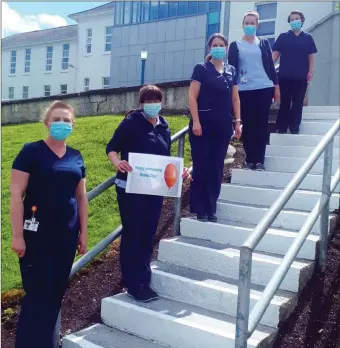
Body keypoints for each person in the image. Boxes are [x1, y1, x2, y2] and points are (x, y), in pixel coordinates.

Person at [11, 101, 88, 348]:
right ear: (47, 122)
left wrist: (83, 232)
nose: (62, 124)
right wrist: (17, 236)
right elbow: (15, 195)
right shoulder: (30, 152)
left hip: (66, 237)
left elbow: (81, 197)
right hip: (36, 237)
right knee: (37, 294)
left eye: (67, 120)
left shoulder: (76, 156)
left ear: (73, 124)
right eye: (57, 119)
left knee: (55, 292)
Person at [106, 85, 190, 303]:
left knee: (148, 233)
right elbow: (112, 147)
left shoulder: (164, 126)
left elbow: (165, 160)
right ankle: (133, 284)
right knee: (133, 233)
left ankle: (144, 279)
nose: (153, 104)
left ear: (161, 103)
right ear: (141, 103)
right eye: (148, 100)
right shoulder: (131, 123)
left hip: (154, 189)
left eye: (156, 100)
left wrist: (179, 171)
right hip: (130, 189)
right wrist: (118, 162)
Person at [188, 33, 242, 223]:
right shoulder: (201, 69)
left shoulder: (231, 70)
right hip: (202, 126)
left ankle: (211, 208)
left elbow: (235, 98)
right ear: (209, 48)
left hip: (222, 126)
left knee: (216, 167)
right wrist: (196, 121)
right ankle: (199, 208)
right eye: (215, 45)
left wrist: (238, 121)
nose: (218, 47)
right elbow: (192, 96)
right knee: (202, 166)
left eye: (222, 45)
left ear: (226, 48)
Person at [228, 11, 279, 171]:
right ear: (243, 25)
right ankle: (249, 159)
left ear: (257, 25)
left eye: (253, 23)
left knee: (261, 125)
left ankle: (259, 161)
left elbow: (271, 67)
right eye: (247, 23)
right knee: (248, 125)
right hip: (244, 90)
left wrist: (276, 87)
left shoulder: (263, 43)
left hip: (264, 88)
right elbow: (232, 69)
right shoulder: (235, 45)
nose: (250, 26)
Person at [273, 10, 318, 134]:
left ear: (302, 20)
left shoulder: (307, 38)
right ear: (289, 22)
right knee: (285, 102)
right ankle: (281, 127)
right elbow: (275, 55)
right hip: (285, 76)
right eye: (292, 19)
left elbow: (311, 56)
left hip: (301, 76)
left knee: (298, 102)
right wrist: (268, 66)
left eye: (296, 19)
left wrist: (310, 71)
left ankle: (294, 127)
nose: (294, 21)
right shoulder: (283, 37)